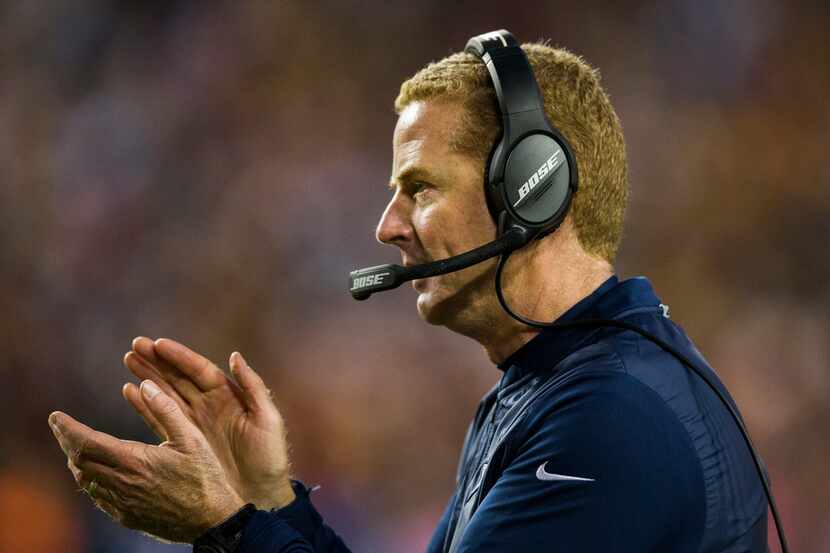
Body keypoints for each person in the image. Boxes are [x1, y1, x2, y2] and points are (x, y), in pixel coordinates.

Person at [48, 32, 769, 553]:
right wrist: (267, 499)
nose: (386, 226)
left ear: (531, 190)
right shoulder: (554, 383)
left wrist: (227, 524)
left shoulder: (610, 418)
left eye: (418, 188)